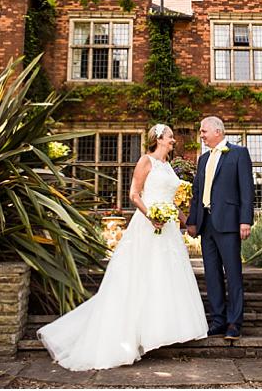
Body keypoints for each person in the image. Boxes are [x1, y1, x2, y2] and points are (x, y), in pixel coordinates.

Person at [37, 124, 208, 371]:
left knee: (165, 277)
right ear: (159, 138)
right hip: (148, 225)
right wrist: (151, 215)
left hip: (168, 229)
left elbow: (171, 201)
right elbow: (134, 194)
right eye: (170, 136)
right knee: (141, 277)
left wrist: (188, 222)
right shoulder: (145, 161)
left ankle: (160, 329)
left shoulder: (169, 166)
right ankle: (134, 334)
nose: (173, 140)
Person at [185, 116, 254, 341]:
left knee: (233, 274)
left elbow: (246, 189)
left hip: (229, 223)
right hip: (207, 225)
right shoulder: (203, 159)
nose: (201, 135)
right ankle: (217, 320)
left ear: (217, 131)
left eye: (204, 131)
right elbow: (197, 192)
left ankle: (234, 322)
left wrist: (245, 220)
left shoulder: (238, 153)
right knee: (212, 275)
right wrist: (193, 222)